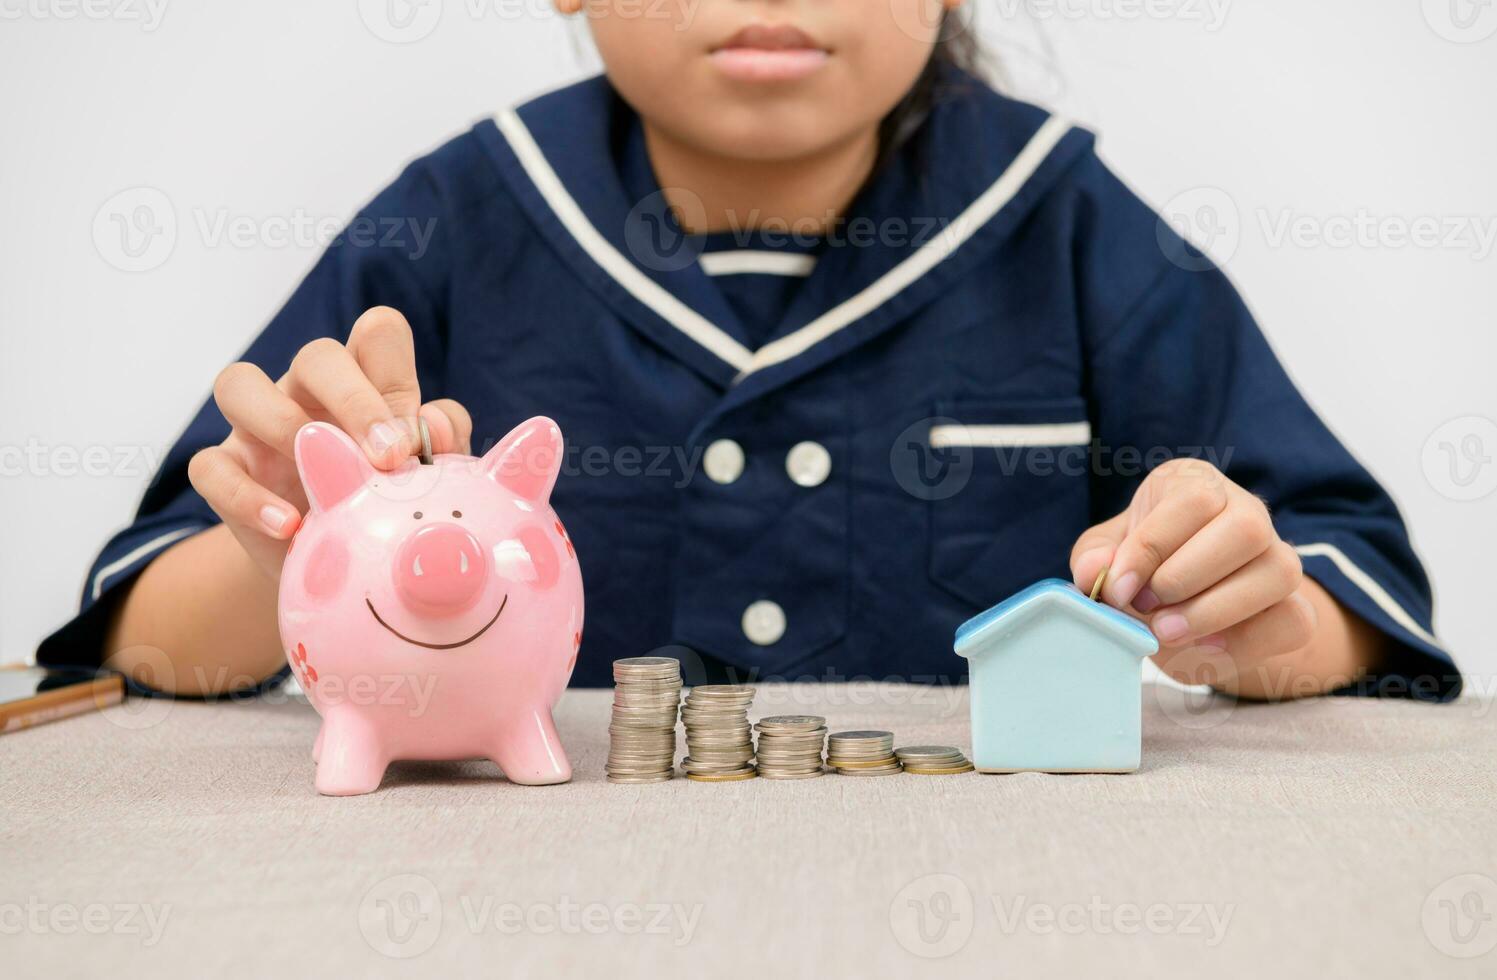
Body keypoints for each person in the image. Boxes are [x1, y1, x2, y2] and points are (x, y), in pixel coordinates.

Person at [39, 0, 1459, 702]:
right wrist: (285, 548)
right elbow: (151, 642)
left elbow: (1342, 572)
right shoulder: (453, 220)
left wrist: (1267, 623)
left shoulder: (1068, 222)